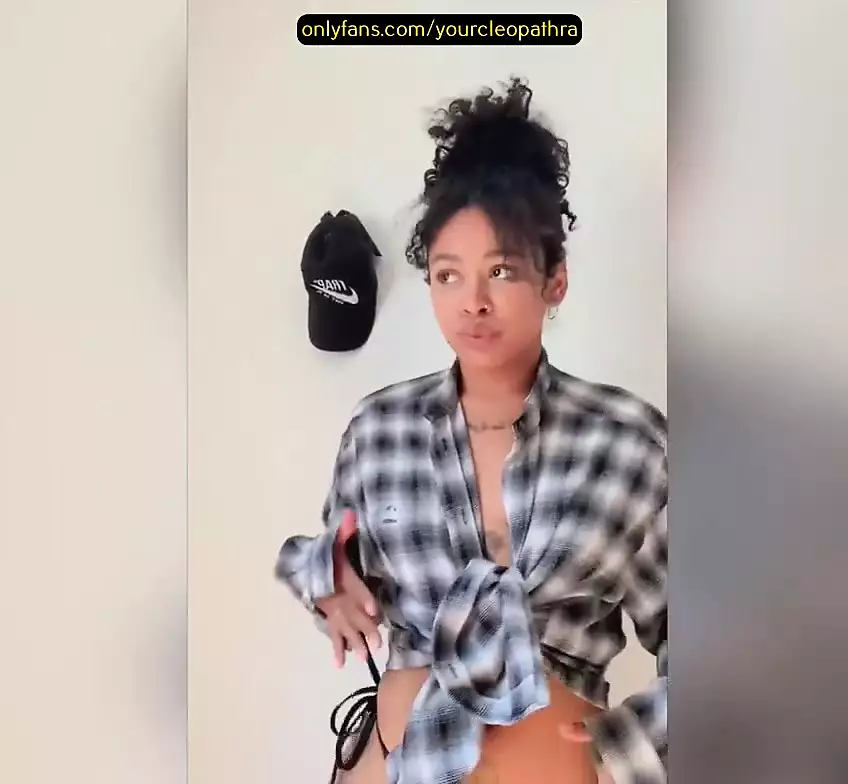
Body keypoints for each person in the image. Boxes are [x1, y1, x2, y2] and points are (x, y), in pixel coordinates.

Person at [276, 77, 668, 784]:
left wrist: (630, 752)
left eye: (501, 271)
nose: (473, 302)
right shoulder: (378, 430)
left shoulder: (630, 445)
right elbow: (331, 563)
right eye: (448, 275)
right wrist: (325, 584)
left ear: (555, 281)